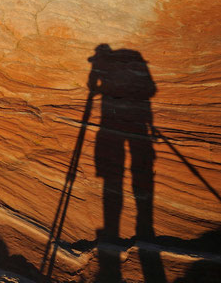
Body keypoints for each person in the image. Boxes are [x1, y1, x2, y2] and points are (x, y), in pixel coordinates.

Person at [88, 44, 163, 281]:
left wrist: (96, 75)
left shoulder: (109, 74)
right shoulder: (136, 65)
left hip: (117, 123)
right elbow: (151, 90)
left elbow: (92, 88)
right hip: (136, 121)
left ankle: (124, 232)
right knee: (133, 175)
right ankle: (141, 228)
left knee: (116, 178)